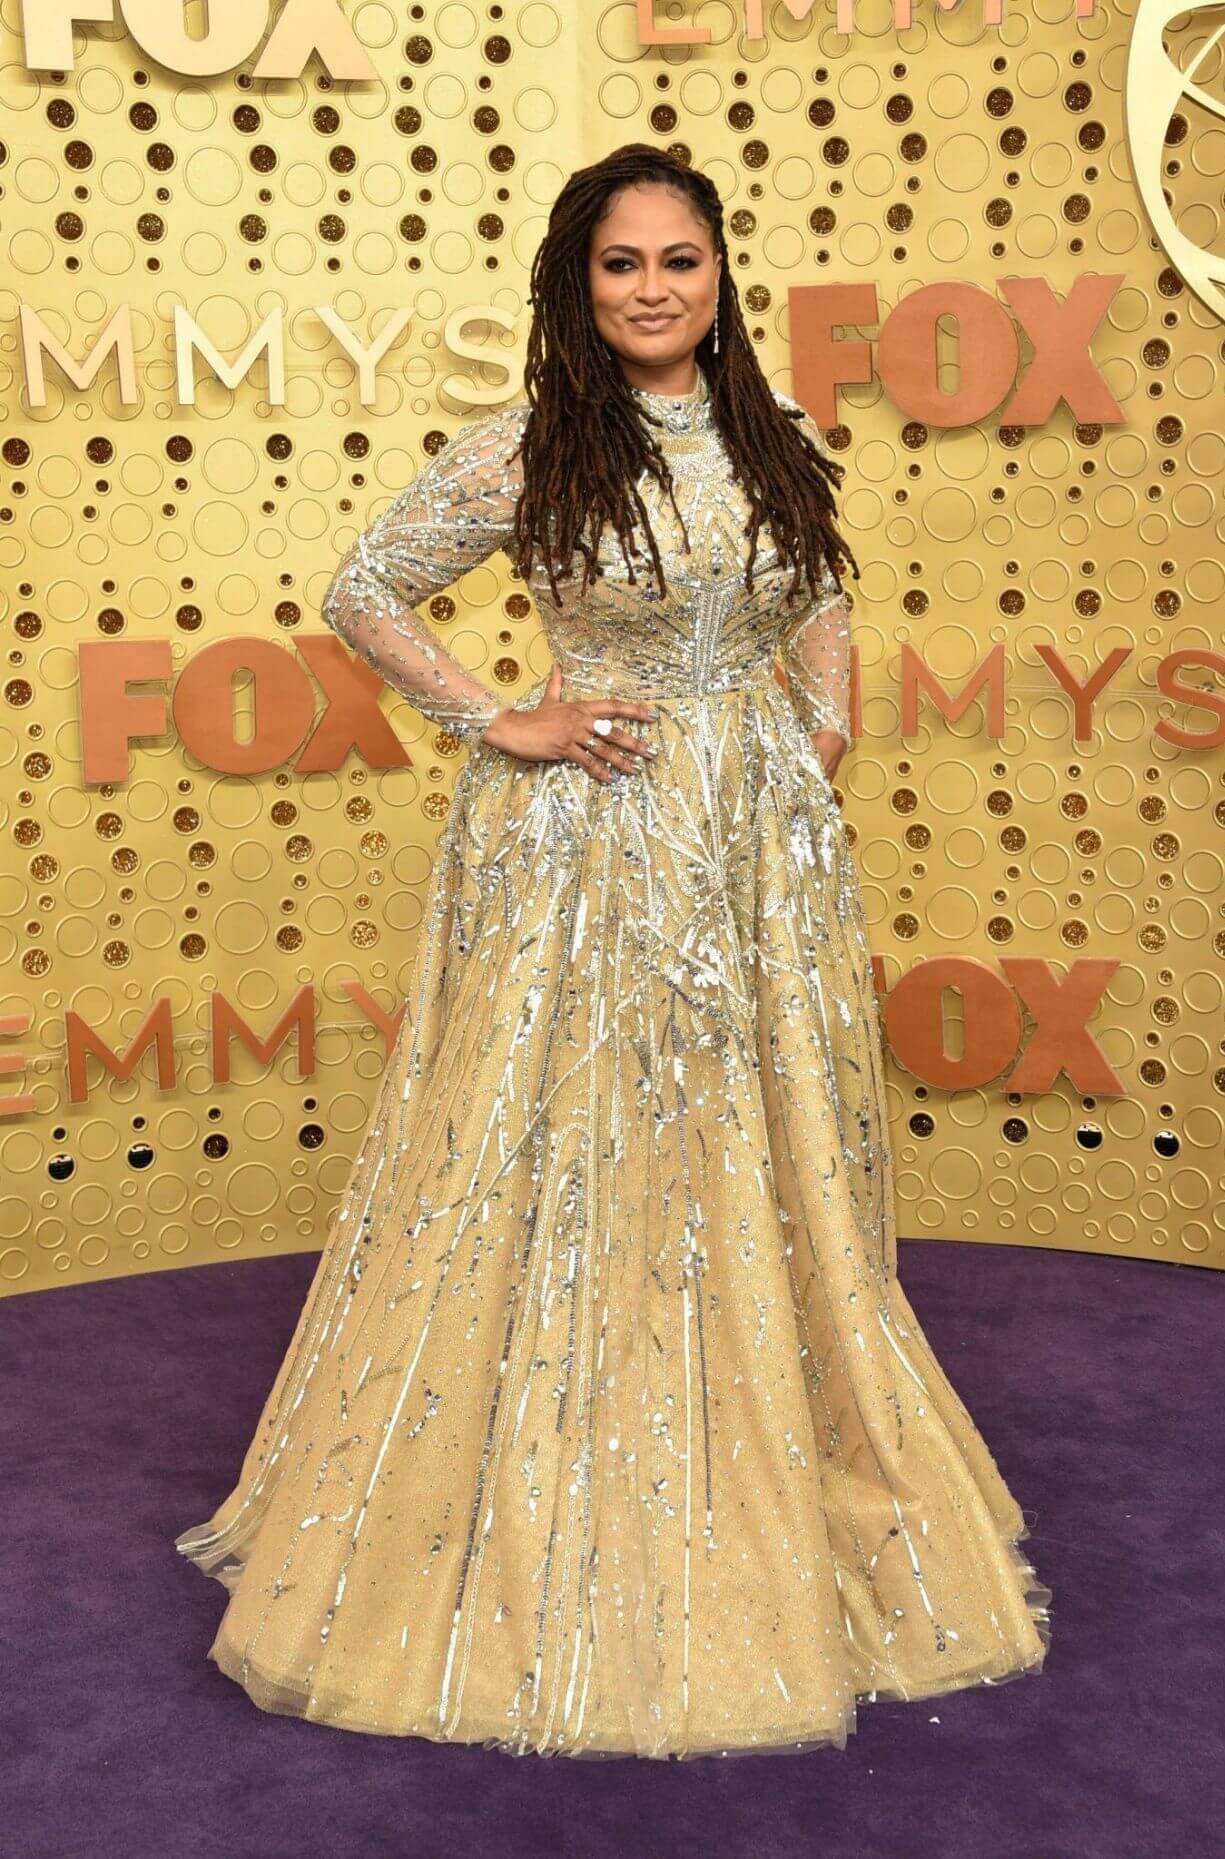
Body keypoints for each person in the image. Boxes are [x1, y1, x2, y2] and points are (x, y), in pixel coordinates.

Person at [175, 143, 1051, 1759]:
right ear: (577, 288)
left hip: (760, 856)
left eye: (683, 262)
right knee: (591, 1146)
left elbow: (814, 590)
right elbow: (365, 587)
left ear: (724, 281)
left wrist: (824, 721)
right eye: (623, 265)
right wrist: (504, 718)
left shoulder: (772, 438)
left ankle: (775, 1443)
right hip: (596, 844)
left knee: (759, 1136)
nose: (656, 289)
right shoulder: (530, 445)